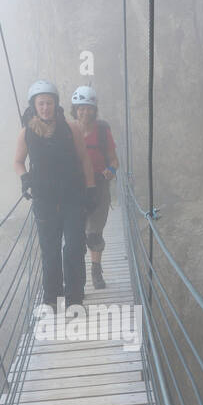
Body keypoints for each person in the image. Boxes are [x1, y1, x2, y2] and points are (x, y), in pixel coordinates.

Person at [14, 80, 98, 308]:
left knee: (74, 247)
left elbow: (84, 159)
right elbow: (18, 162)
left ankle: (74, 298)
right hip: (45, 201)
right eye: (40, 103)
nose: (45, 108)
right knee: (49, 251)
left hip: (72, 198)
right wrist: (24, 178)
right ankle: (52, 297)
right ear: (34, 106)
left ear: (55, 104)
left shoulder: (71, 128)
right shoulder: (26, 133)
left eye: (48, 103)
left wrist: (90, 189)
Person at [70, 86, 119, 289]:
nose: (85, 112)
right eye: (81, 108)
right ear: (75, 109)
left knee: (94, 234)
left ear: (94, 110)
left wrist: (111, 170)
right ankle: (78, 275)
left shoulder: (102, 131)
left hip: (98, 185)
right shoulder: (68, 130)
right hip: (75, 187)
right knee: (76, 234)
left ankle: (96, 271)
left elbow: (114, 160)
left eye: (89, 108)